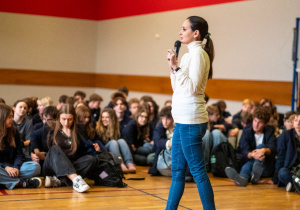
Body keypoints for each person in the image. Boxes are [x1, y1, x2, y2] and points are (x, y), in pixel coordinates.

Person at [165, 16, 215, 209]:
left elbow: (193, 88)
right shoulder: (187, 56)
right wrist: (173, 68)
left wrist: (177, 68)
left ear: (196, 33)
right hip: (182, 120)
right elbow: (178, 87)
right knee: (177, 171)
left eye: (184, 28)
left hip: (191, 120)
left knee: (198, 171)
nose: (180, 32)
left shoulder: (199, 55)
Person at [43, 104, 98, 193]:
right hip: (53, 165)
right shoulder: (50, 128)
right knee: (55, 148)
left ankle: (60, 181)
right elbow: (45, 148)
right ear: (58, 117)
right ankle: (76, 180)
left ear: (74, 119)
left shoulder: (80, 129)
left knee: (91, 159)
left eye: (70, 119)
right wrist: (35, 151)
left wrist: (95, 148)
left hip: (72, 164)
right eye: (63, 119)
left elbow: (83, 152)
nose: (66, 122)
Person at [225, 106, 276, 187]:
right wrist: (253, 155)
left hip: (265, 166)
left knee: (261, 146)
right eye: (255, 121)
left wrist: (263, 151)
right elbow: (243, 149)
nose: (256, 124)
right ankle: (247, 178)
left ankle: (244, 176)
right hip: (250, 162)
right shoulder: (247, 130)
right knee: (249, 163)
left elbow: (272, 147)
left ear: (265, 124)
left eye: (260, 122)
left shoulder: (269, 131)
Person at [0, 104, 41, 189]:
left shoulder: (14, 131)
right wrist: (6, 167)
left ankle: (5, 181)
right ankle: (21, 183)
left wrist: (16, 168)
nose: (12, 119)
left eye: (12, 116)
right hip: (2, 167)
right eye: (9, 117)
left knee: (35, 167)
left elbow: (19, 154)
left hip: (12, 166)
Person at [96, 107, 136, 173]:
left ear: (112, 119)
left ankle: (130, 163)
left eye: (107, 117)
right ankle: (120, 164)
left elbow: (126, 142)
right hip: (105, 151)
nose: (104, 119)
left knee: (121, 141)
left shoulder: (117, 128)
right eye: (103, 117)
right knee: (113, 142)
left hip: (116, 152)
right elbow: (100, 145)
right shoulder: (98, 129)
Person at [273, 112, 300, 192]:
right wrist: (275, 178)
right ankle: (296, 186)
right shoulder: (286, 135)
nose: (298, 124)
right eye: (296, 121)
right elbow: (281, 157)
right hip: (291, 170)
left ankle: (293, 187)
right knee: (282, 172)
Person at [148, 106, 174, 176]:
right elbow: (158, 142)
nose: (164, 122)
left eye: (168, 119)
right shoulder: (159, 127)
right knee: (150, 158)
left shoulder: (177, 128)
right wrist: (170, 143)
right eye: (163, 119)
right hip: (160, 153)